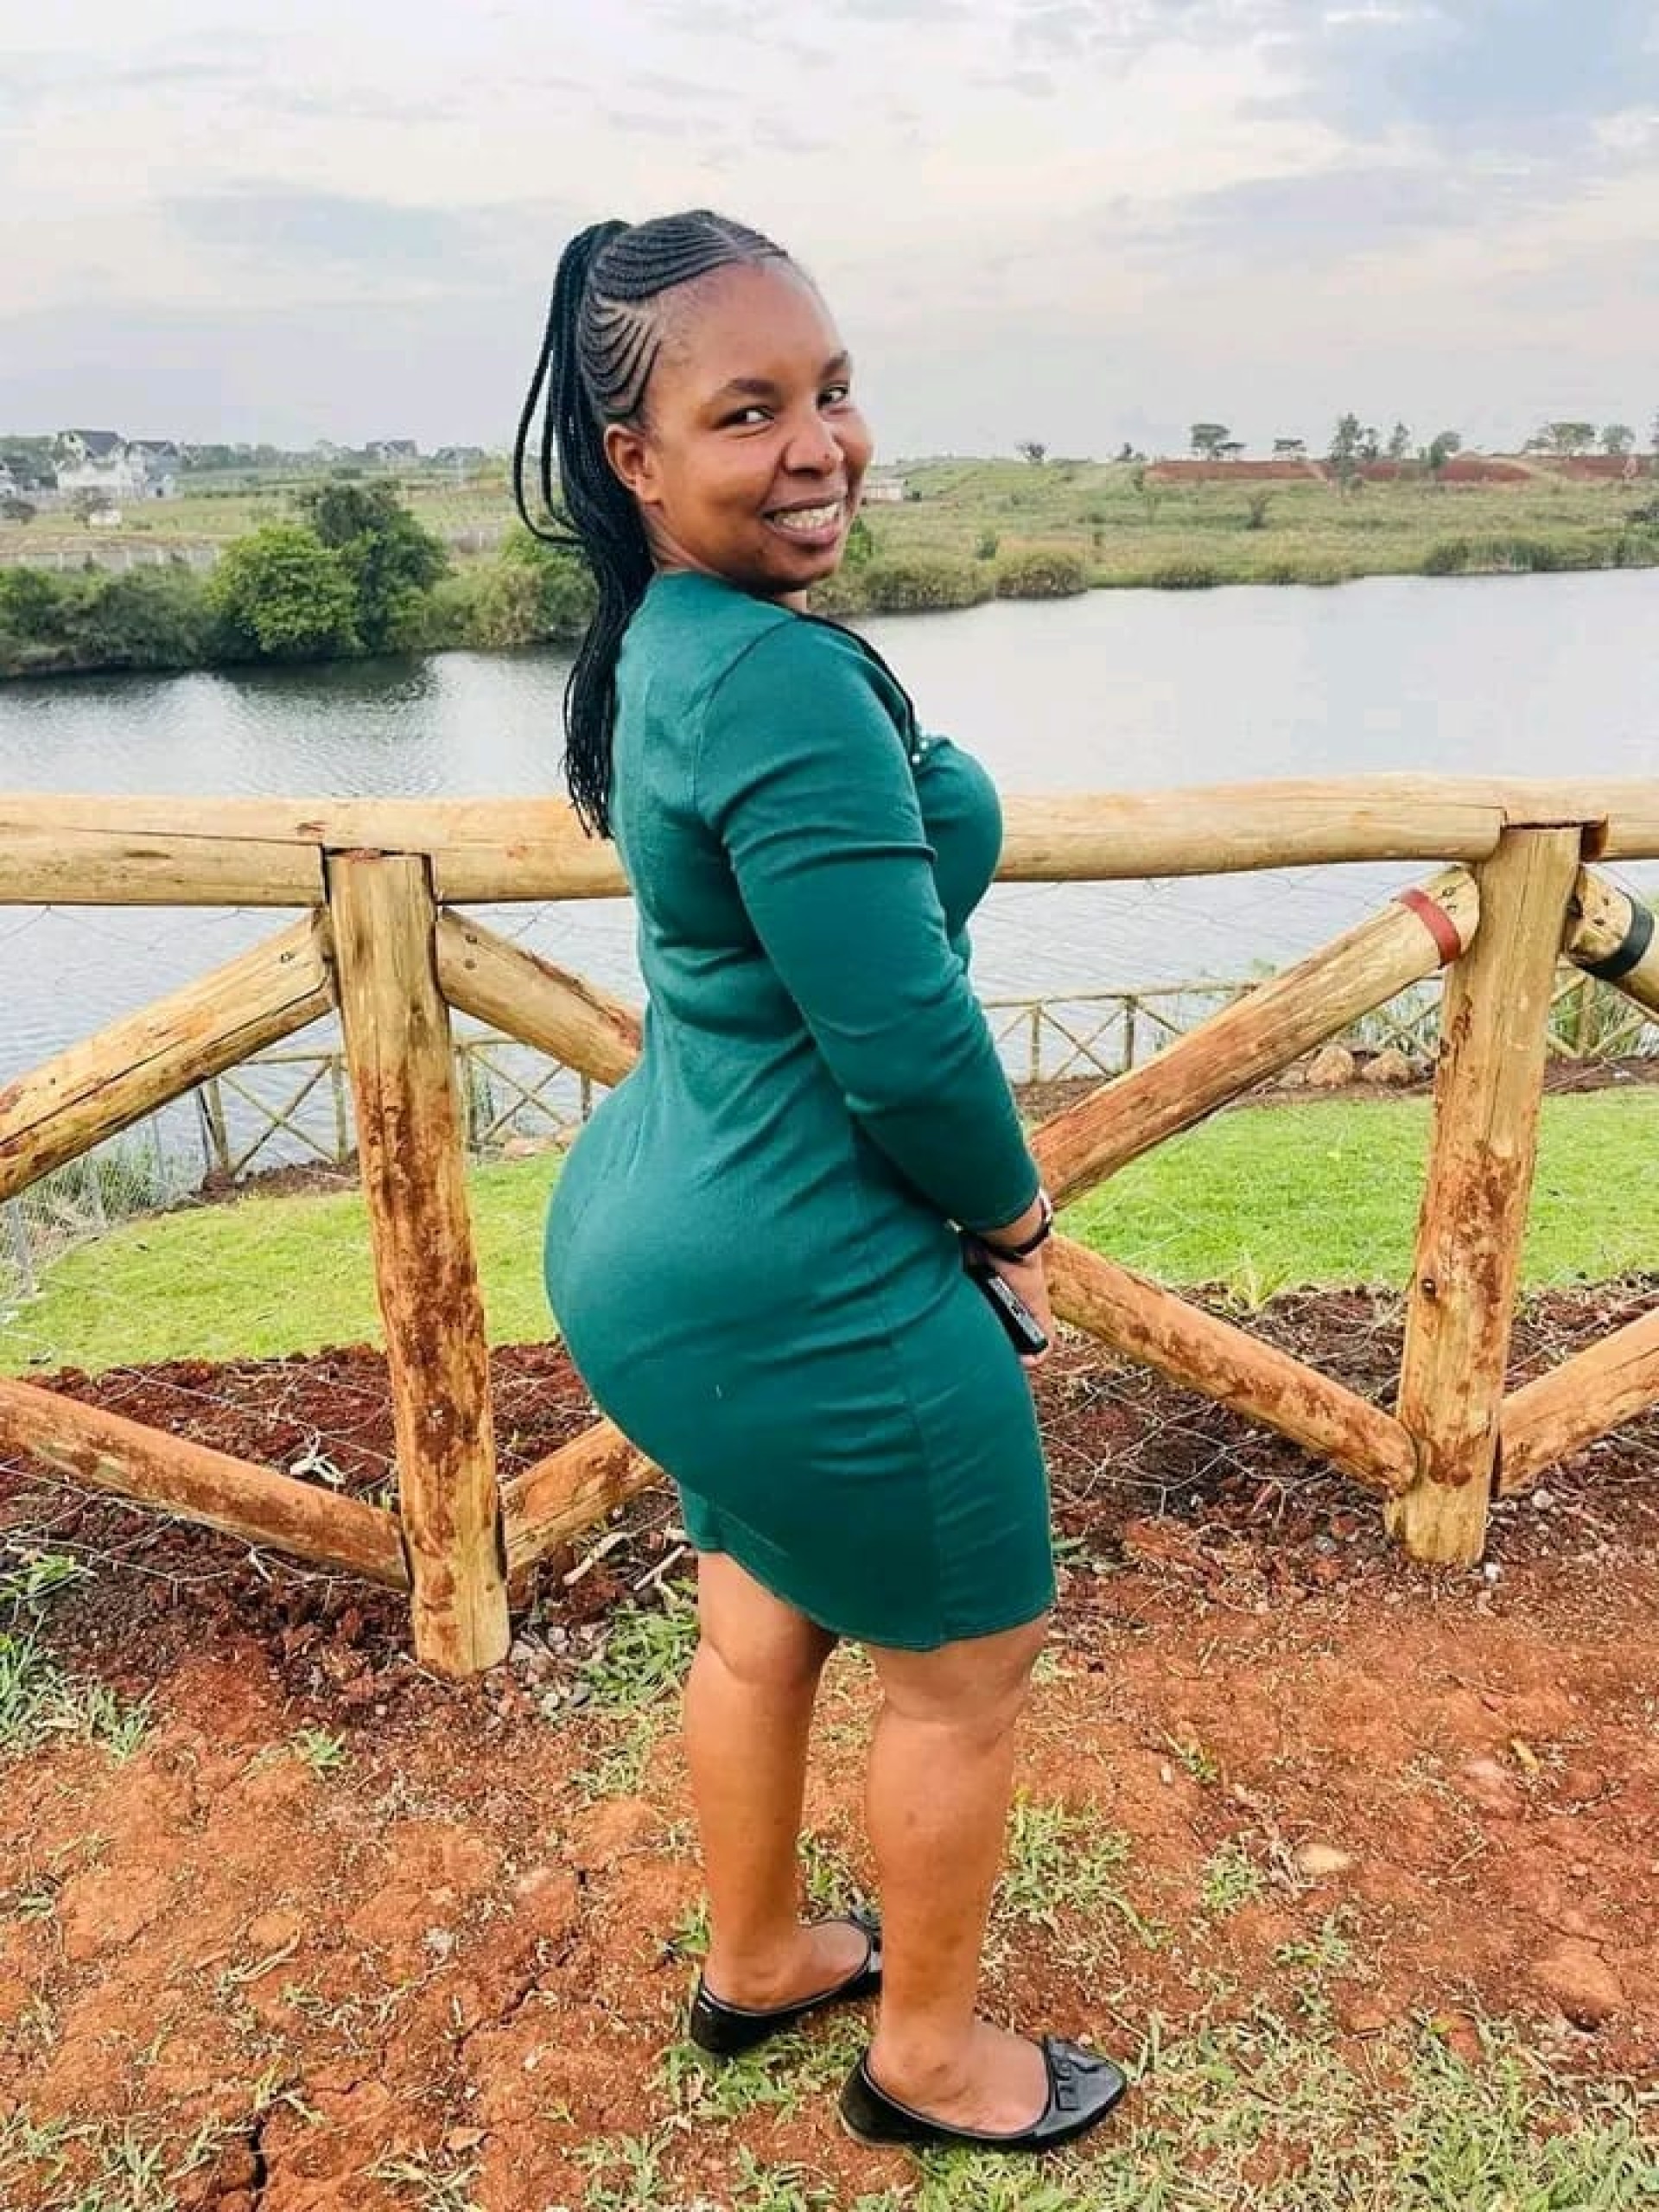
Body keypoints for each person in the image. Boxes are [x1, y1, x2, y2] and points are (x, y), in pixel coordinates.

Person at [517, 210, 1126, 2155]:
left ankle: (764, 1953)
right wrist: (1015, 1225)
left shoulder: (676, 643)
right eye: (749, 411)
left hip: (659, 1239)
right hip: (799, 1269)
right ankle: (929, 2058)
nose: (818, 445)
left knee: (762, 1612)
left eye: (835, 390)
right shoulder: (772, 680)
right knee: (965, 1668)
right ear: (637, 458)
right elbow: (907, 1043)